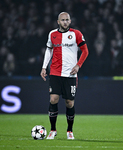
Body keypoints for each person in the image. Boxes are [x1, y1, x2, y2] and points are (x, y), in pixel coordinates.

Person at [40, 12, 89, 140]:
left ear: (70, 21)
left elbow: (85, 51)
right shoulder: (52, 34)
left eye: (67, 20)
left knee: (69, 103)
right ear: (58, 22)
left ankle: (69, 130)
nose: (65, 22)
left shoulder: (76, 34)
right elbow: (49, 50)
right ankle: (53, 129)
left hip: (70, 74)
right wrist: (44, 67)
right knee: (53, 99)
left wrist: (78, 65)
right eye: (63, 20)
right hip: (55, 72)